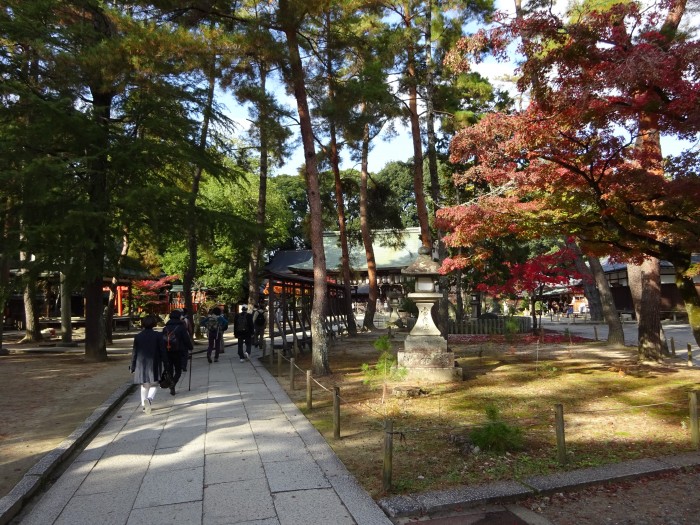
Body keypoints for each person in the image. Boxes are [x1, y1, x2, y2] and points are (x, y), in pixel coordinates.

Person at [130, 315, 167, 415]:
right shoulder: (158, 336)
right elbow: (163, 350)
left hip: (140, 363)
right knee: (154, 384)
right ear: (154, 324)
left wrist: (132, 366)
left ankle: (143, 404)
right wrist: (166, 363)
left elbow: (135, 352)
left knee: (144, 385)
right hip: (154, 362)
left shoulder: (138, 336)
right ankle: (149, 400)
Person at [162, 310, 193, 396]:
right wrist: (190, 347)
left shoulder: (165, 328)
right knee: (178, 370)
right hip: (179, 351)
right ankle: (173, 383)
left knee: (170, 369)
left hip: (167, 351)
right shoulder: (181, 327)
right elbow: (186, 339)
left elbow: (162, 340)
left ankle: (172, 383)